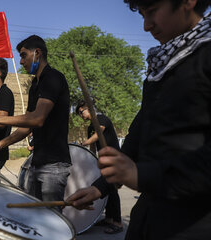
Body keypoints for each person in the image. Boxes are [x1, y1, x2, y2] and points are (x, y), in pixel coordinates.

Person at [67, 0, 211, 239]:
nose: (146, 25)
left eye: (152, 11)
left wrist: (141, 175)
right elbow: (139, 136)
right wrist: (99, 187)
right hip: (149, 218)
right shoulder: (161, 66)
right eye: (143, 14)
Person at [0, 35, 71, 206]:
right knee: (33, 222)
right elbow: (26, 127)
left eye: (23, 55)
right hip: (37, 163)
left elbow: (37, 119)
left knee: (51, 224)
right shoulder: (35, 85)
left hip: (54, 165)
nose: (20, 61)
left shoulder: (53, 78)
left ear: (37, 53)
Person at [76, 100, 123, 234]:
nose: (81, 115)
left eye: (81, 112)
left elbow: (98, 135)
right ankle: (108, 219)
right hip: (104, 161)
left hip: (114, 159)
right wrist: (91, 162)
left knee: (112, 190)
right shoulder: (90, 127)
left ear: (88, 108)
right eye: (79, 114)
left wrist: (83, 143)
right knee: (106, 190)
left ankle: (118, 222)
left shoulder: (101, 119)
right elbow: (92, 147)